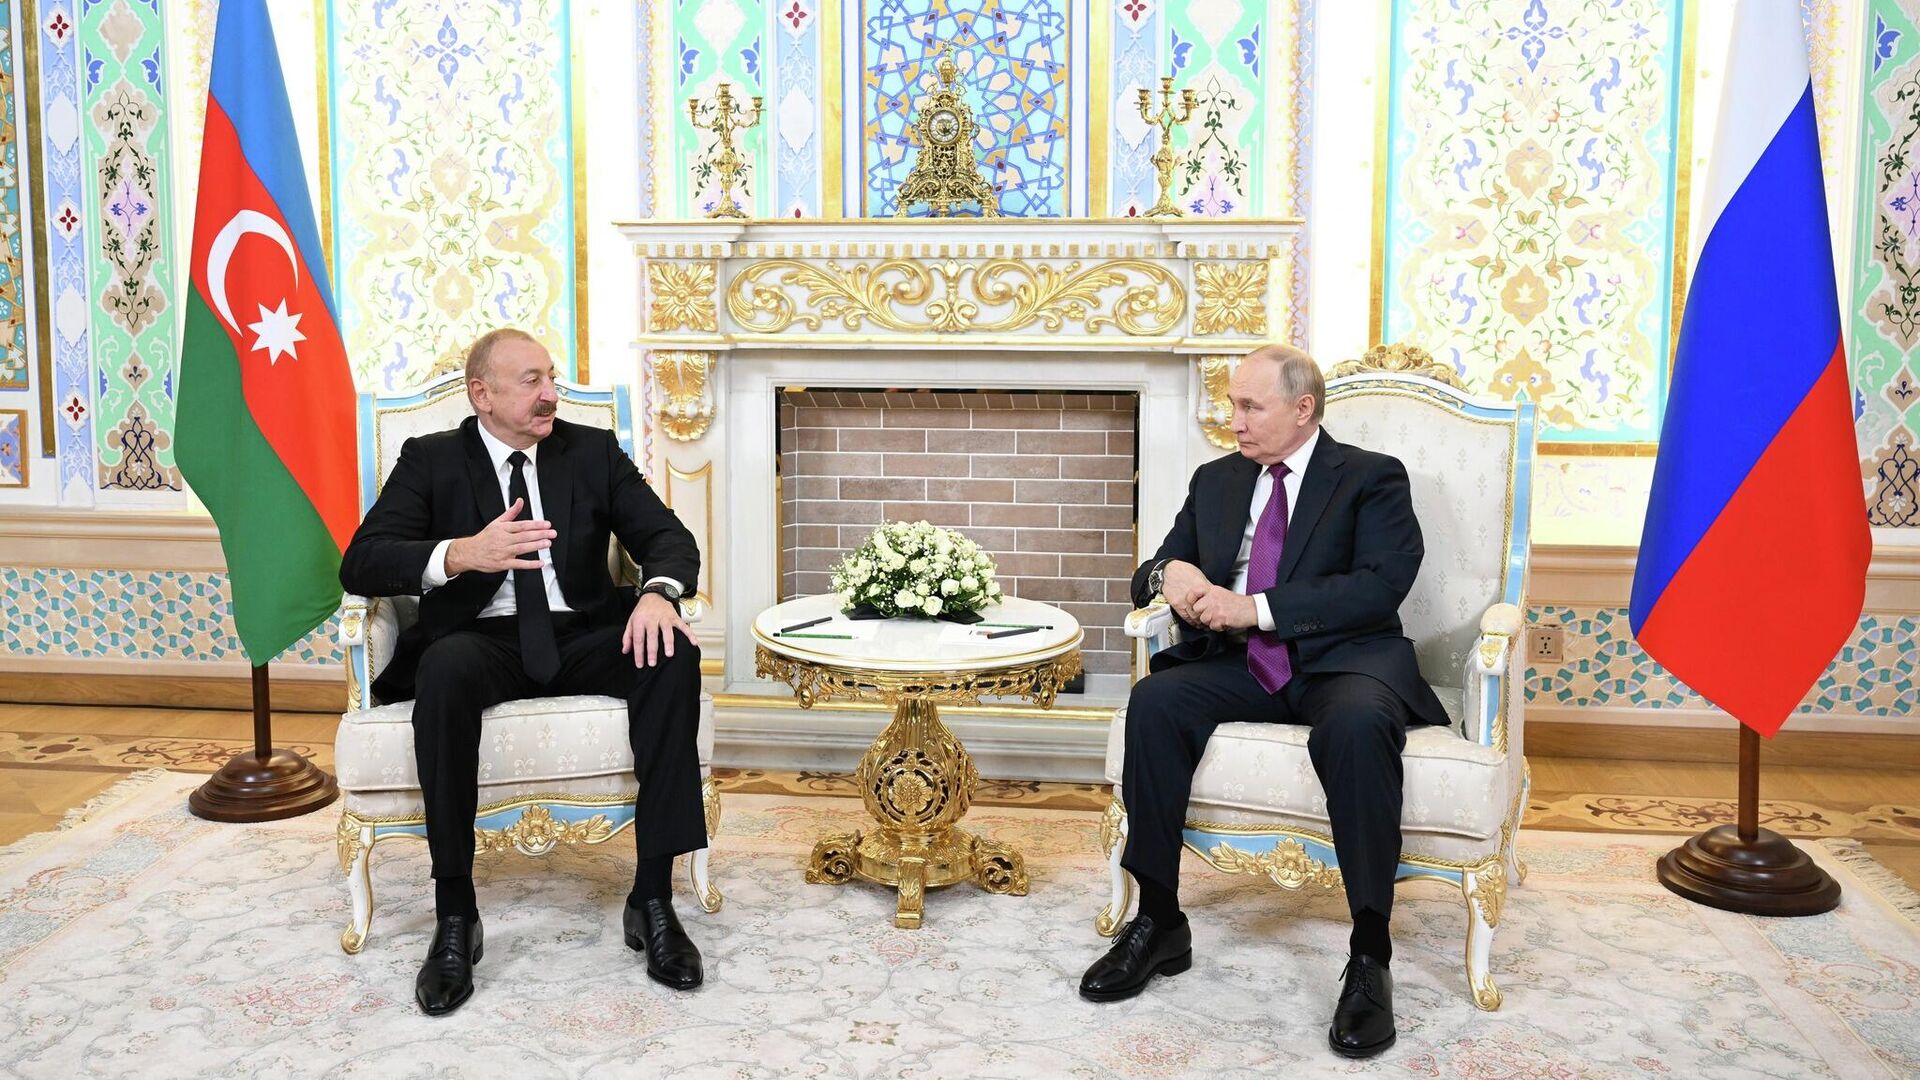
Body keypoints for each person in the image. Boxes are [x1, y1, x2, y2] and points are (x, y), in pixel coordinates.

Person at [1077, 344, 1446, 1059]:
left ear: (1303, 409)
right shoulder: (1216, 480)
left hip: (1342, 662)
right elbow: (1151, 570)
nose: (1235, 421)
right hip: (1240, 664)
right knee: (1155, 702)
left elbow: (1379, 586)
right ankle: (1160, 921)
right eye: (1231, 405)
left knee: (1358, 727)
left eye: (1251, 406)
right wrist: (1169, 574)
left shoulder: (1371, 477)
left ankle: (1369, 955)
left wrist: (1256, 609)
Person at [340, 328, 707, 1016]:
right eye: (532, 381)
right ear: (482, 394)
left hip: (581, 633)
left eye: (552, 379)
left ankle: (653, 899)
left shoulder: (591, 451)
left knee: (670, 651)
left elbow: (667, 536)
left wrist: (658, 593)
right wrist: (458, 554)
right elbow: (362, 561)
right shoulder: (431, 459)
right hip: (480, 641)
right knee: (444, 668)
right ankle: (456, 915)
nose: (550, 395)